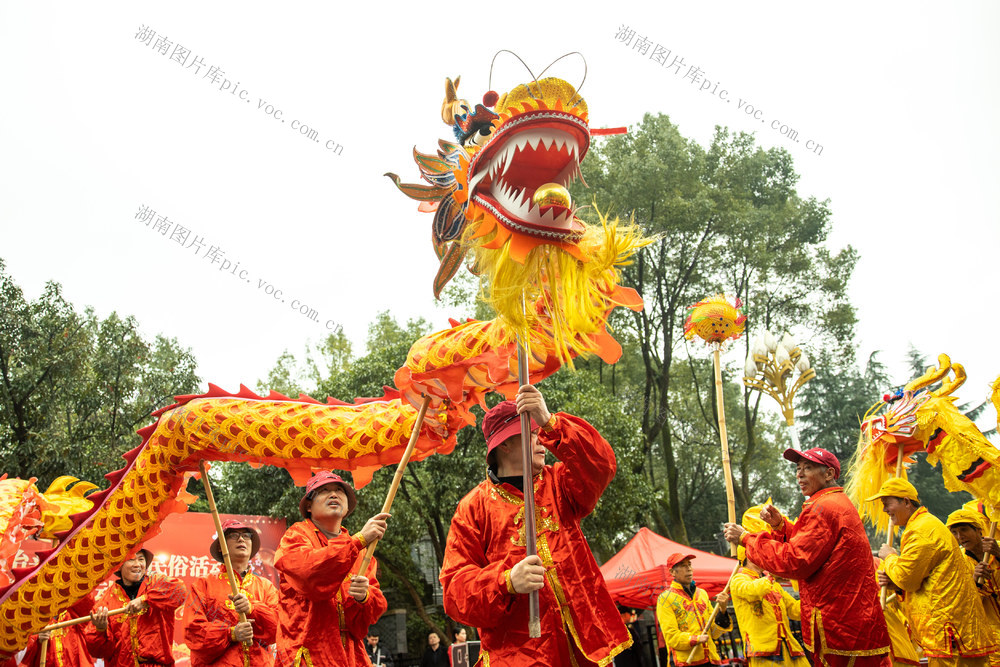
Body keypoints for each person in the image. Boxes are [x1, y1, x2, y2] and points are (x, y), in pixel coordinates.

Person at [440, 384, 631, 666]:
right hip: (517, 656)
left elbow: (601, 464)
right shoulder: (473, 507)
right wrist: (505, 581)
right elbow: (454, 593)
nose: (542, 439)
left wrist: (550, 421)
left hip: (583, 648)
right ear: (505, 444)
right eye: (532, 433)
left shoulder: (560, 483)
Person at [723, 447, 890, 666]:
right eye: (798, 469)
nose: (799, 474)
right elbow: (816, 548)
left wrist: (747, 539)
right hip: (848, 624)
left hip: (840, 628)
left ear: (829, 474)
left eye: (807, 468)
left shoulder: (822, 508)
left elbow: (795, 561)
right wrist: (780, 526)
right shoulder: (833, 503)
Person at [872, 479, 996, 666]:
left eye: (887, 503)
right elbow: (922, 581)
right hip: (949, 635)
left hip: (950, 636)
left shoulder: (922, 530)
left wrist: (889, 558)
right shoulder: (921, 526)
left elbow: (908, 579)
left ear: (906, 502)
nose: (884, 510)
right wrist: (895, 584)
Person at [274, 471, 390, 666]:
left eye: (339, 490)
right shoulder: (295, 536)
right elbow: (311, 575)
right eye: (324, 490)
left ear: (347, 506)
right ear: (308, 506)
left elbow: (364, 623)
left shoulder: (363, 553)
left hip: (350, 657)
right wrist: (359, 540)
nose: (334, 494)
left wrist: (364, 597)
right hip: (308, 655)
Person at [185, 519, 280, 666]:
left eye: (246, 535)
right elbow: (193, 632)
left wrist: (253, 608)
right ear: (220, 547)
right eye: (233, 535)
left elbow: (279, 629)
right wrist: (231, 633)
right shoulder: (203, 585)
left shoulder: (266, 587)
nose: (241, 539)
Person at [729, 507, 807, 667]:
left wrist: (816, 601)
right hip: (763, 652)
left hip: (790, 649)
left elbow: (794, 610)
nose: (764, 555)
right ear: (749, 555)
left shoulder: (772, 584)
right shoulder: (738, 580)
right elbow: (753, 591)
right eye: (760, 552)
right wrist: (773, 575)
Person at [84, 547, 187, 667]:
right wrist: (101, 630)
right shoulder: (106, 600)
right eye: (131, 559)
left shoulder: (157, 583)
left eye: (141, 559)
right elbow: (99, 652)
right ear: (119, 565)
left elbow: (180, 591)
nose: (137, 564)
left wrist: (145, 600)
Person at [655, 553, 732, 666]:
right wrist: (696, 639)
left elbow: (714, 633)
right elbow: (671, 636)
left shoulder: (702, 594)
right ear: (672, 572)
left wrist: (723, 609)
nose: (688, 568)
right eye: (683, 565)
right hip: (686, 662)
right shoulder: (665, 599)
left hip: (711, 660)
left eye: (689, 564)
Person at [946, 506, 1000, 663]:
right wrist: (974, 582)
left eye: (964, 529)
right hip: (992, 637)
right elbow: (961, 604)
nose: (960, 536)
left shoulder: (997, 546)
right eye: (954, 532)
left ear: (978, 530)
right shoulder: (958, 562)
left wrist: (999, 554)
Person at [20, 597, 96, 667]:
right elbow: (22, 657)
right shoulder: (33, 620)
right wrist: (37, 638)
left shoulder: (74, 613)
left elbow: (87, 603)